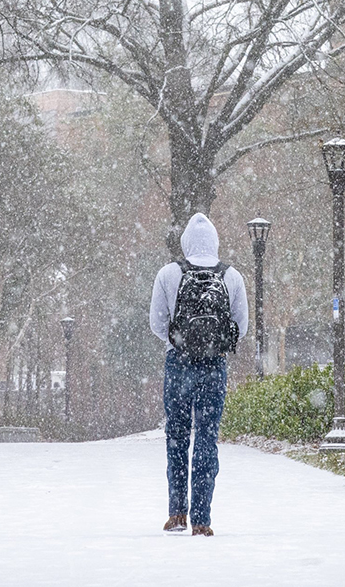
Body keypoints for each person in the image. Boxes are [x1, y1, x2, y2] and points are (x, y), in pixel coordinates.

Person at [149, 212, 248, 536]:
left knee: (177, 437)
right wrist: (211, 343)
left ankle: (177, 514)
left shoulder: (168, 274)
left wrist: (180, 341)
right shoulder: (232, 276)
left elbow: (157, 323)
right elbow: (241, 327)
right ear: (215, 241)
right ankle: (202, 519)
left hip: (178, 363)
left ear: (185, 241)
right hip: (214, 367)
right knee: (207, 438)